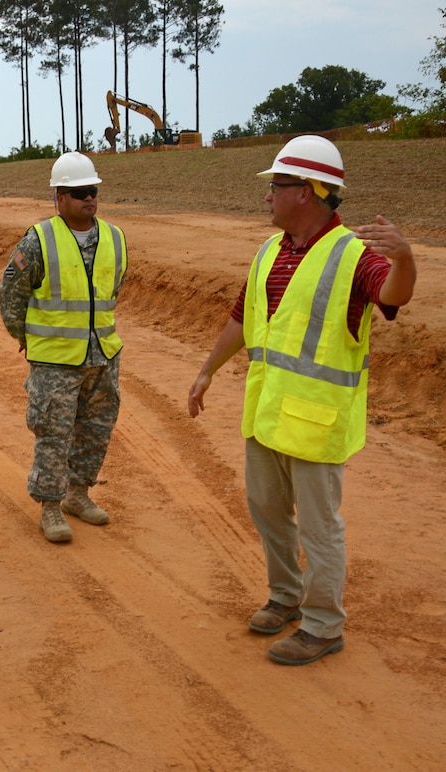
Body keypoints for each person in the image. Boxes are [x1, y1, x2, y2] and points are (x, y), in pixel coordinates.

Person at [187, 135, 416, 666]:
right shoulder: (271, 250)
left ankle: (322, 625)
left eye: (277, 185)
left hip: (316, 419)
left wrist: (405, 260)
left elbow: (392, 296)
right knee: (267, 510)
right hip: (267, 413)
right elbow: (244, 317)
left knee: (319, 526)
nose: (267, 196)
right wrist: (206, 371)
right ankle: (286, 597)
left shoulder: (354, 256)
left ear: (309, 192)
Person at [0, 152, 127, 544]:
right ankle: (51, 507)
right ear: (59, 198)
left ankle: (78, 494)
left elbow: (113, 290)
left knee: (96, 430)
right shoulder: (38, 241)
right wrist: (28, 339)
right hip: (54, 362)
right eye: (78, 192)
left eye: (92, 191)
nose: (88, 198)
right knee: (54, 433)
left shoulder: (115, 237)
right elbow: (10, 297)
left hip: (102, 355)